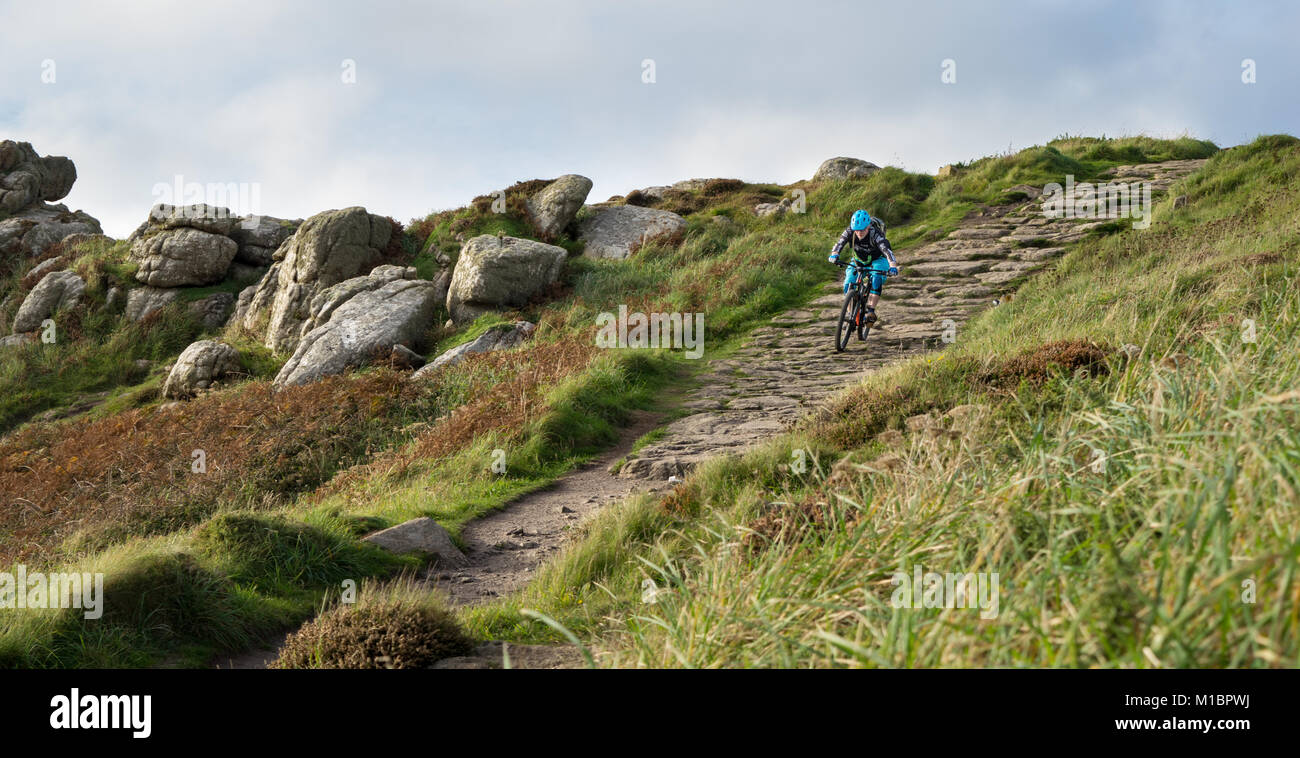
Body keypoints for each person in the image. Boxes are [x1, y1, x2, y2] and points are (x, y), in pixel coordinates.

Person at [827, 209, 899, 327]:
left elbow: (887, 251)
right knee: (848, 285)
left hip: (878, 260)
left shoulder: (876, 235)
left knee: (876, 279)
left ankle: (871, 311)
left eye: (862, 230)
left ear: (868, 226)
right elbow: (840, 243)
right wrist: (835, 254)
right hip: (858, 260)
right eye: (857, 230)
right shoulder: (850, 231)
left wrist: (892, 266)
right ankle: (852, 316)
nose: (859, 233)